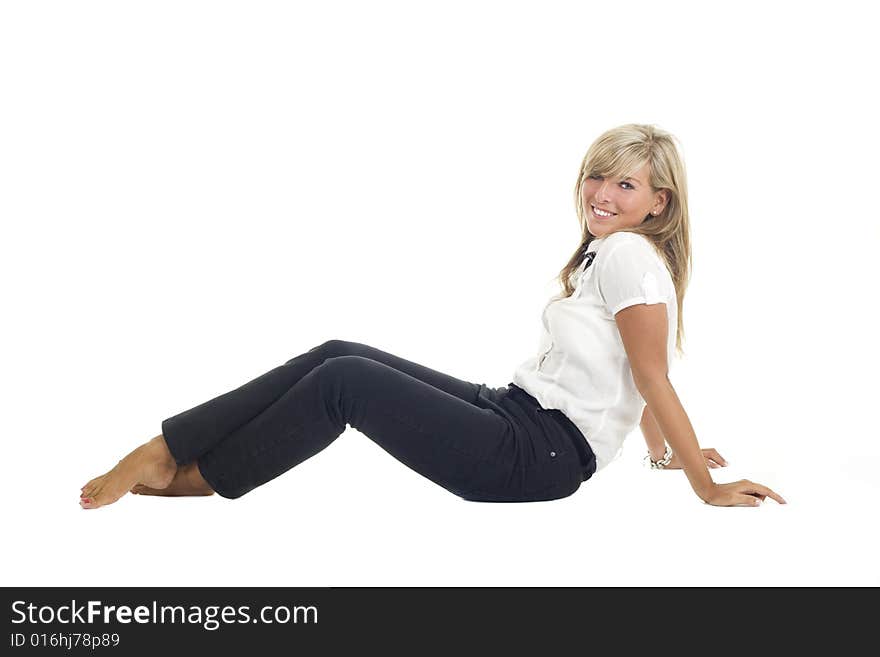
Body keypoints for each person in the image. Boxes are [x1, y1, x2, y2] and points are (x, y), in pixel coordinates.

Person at [79, 123, 786, 509]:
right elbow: (639, 377)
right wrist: (663, 453)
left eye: (625, 183)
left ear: (658, 201)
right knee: (339, 350)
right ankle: (171, 448)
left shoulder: (629, 255)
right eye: (597, 174)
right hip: (517, 413)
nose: (600, 191)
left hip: (536, 454)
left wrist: (704, 484)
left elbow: (651, 376)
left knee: (344, 380)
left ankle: (193, 471)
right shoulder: (612, 254)